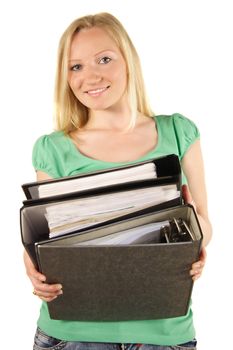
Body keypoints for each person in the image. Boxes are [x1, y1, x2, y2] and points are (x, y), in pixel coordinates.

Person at [23, 12, 212, 350]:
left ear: (129, 61)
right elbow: (46, 237)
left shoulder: (178, 132)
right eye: (75, 67)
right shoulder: (53, 149)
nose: (90, 76)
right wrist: (33, 264)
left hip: (165, 335)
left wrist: (195, 238)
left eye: (104, 59)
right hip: (72, 336)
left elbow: (205, 224)